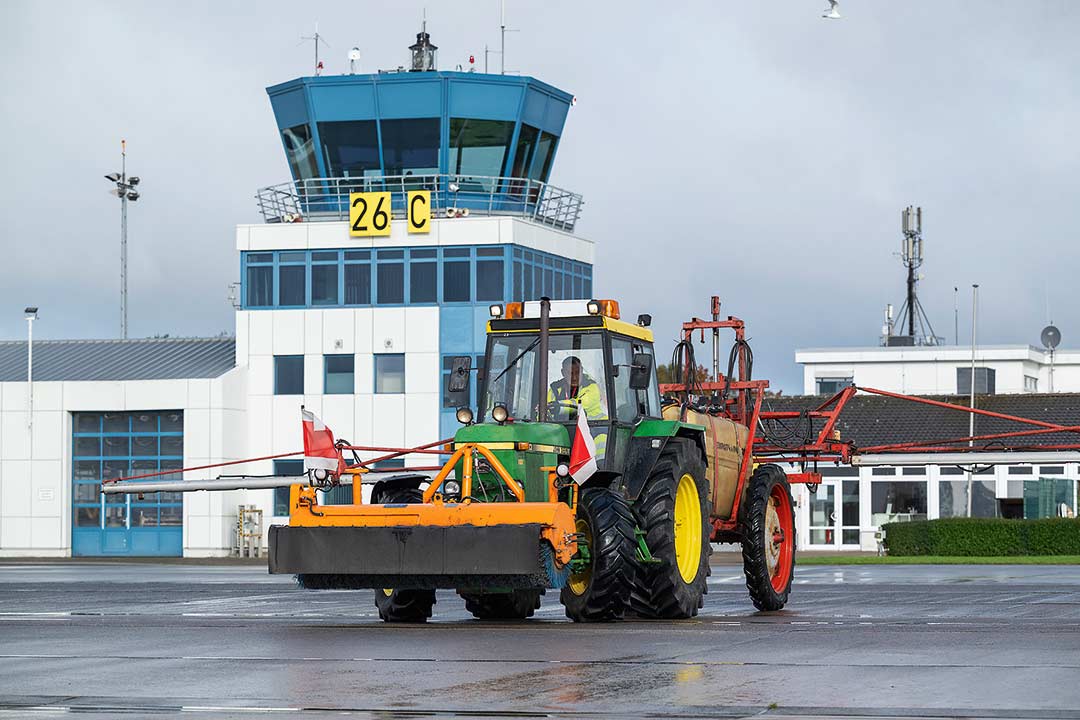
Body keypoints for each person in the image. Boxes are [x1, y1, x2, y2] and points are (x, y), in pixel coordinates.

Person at [547, 356, 607, 421]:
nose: (574, 378)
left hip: (596, 427)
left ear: (582, 370)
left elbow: (579, 405)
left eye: (577, 373)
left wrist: (557, 407)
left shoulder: (591, 387)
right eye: (570, 373)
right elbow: (546, 409)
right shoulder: (555, 389)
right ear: (563, 373)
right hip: (565, 428)